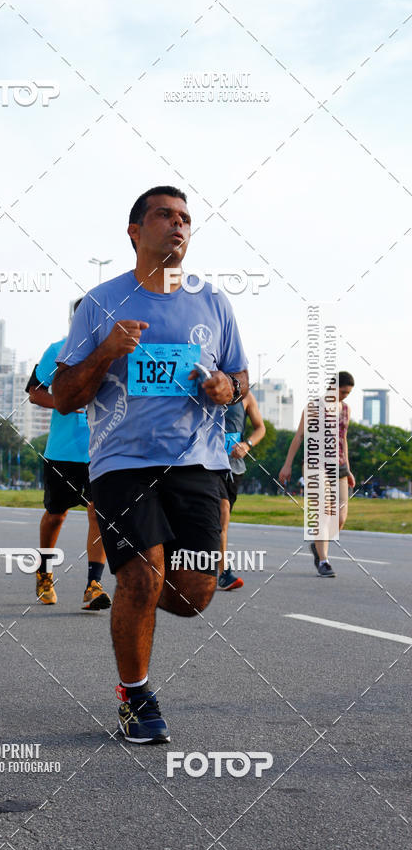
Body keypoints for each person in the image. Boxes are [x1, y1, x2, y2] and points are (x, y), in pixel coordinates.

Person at [53, 186, 248, 743]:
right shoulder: (100, 303)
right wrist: (106, 352)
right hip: (122, 463)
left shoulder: (213, 302)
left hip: (198, 463)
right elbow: (65, 395)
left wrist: (226, 386)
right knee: (139, 576)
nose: (178, 225)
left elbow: (242, 378)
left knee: (193, 595)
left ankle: (144, 604)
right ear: (136, 231)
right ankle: (135, 694)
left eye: (186, 218)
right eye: (165, 215)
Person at [27, 300, 111, 611]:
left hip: (102, 450)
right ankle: (44, 573)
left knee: (98, 512)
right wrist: (64, 402)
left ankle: (93, 584)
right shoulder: (58, 350)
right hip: (63, 452)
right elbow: (35, 392)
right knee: (56, 515)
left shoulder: (114, 355)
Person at [279, 371, 355, 577]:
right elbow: (299, 437)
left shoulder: (345, 409)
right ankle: (324, 561)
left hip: (338, 465)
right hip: (315, 464)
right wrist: (287, 465)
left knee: (340, 516)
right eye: (343, 391)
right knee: (323, 510)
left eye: (348, 393)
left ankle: (317, 544)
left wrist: (348, 469)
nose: (345, 396)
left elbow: (343, 439)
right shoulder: (314, 406)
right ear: (333, 386)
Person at [217, 392, 266, 590]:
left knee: (222, 522)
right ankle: (224, 572)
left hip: (234, 467)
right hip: (208, 463)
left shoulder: (246, 397)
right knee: (223, 513)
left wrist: (248, 444)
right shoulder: (205, 389)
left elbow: (260, 428)